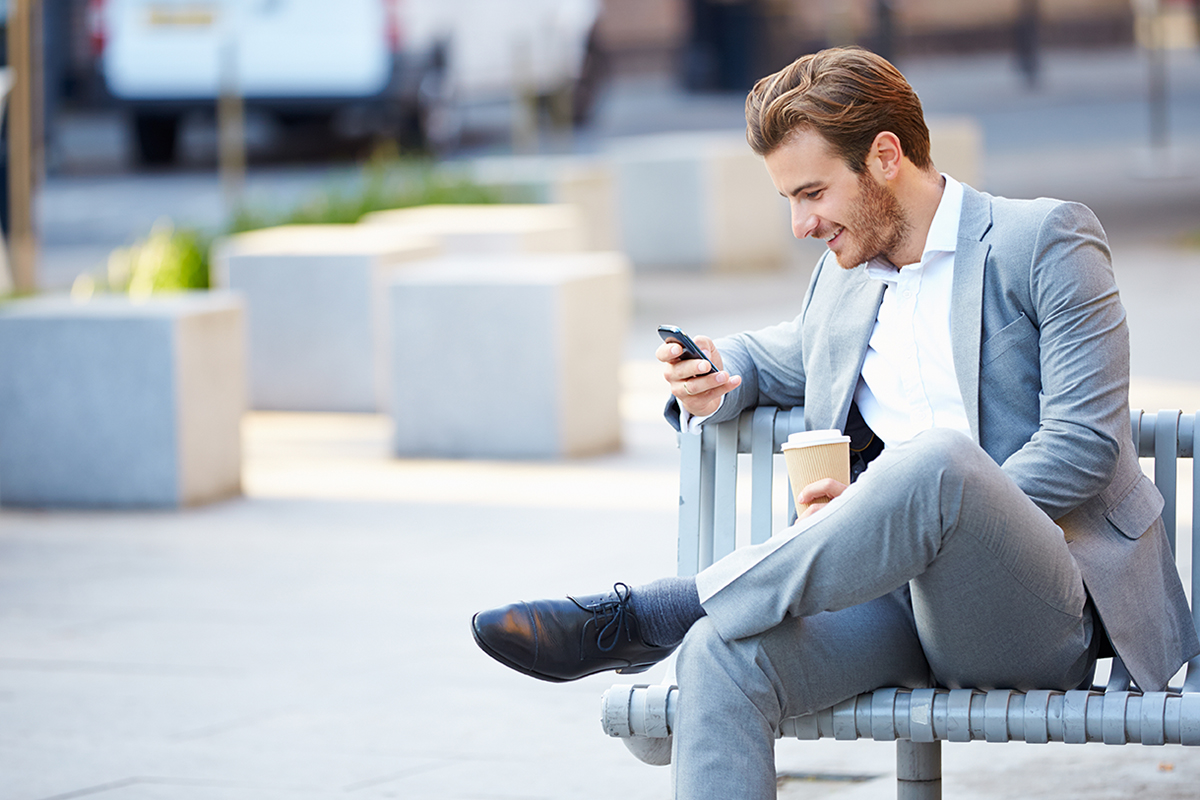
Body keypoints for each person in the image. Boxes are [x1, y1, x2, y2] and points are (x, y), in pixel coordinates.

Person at [471, 47, 1199, 798]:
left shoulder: (1046, 242)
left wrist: (902, 506)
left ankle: (661, 611)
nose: (799, 224)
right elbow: (787, 354)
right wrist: (718, 373)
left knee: (938, 464)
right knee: (721, 655)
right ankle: (690, 624)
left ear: (885, 156)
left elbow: (1082, 448)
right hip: (893, 608)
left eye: (812, 192)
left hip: (1037, 611)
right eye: (788, 198)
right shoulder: (848, 278)